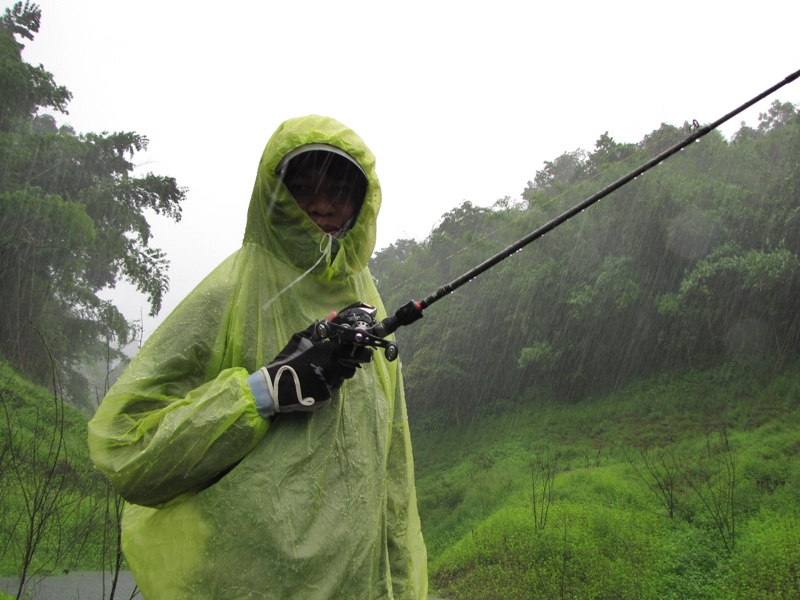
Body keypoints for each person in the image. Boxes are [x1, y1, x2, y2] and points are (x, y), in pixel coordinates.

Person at [88, 115, 428, 599]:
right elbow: (124, 447)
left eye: (339, 187)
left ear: (361, 200)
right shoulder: (229, 295)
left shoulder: (367, 307)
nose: (322, 204)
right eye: (302, 187)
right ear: (274, 195)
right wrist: (261, 392)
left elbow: (390, 477)